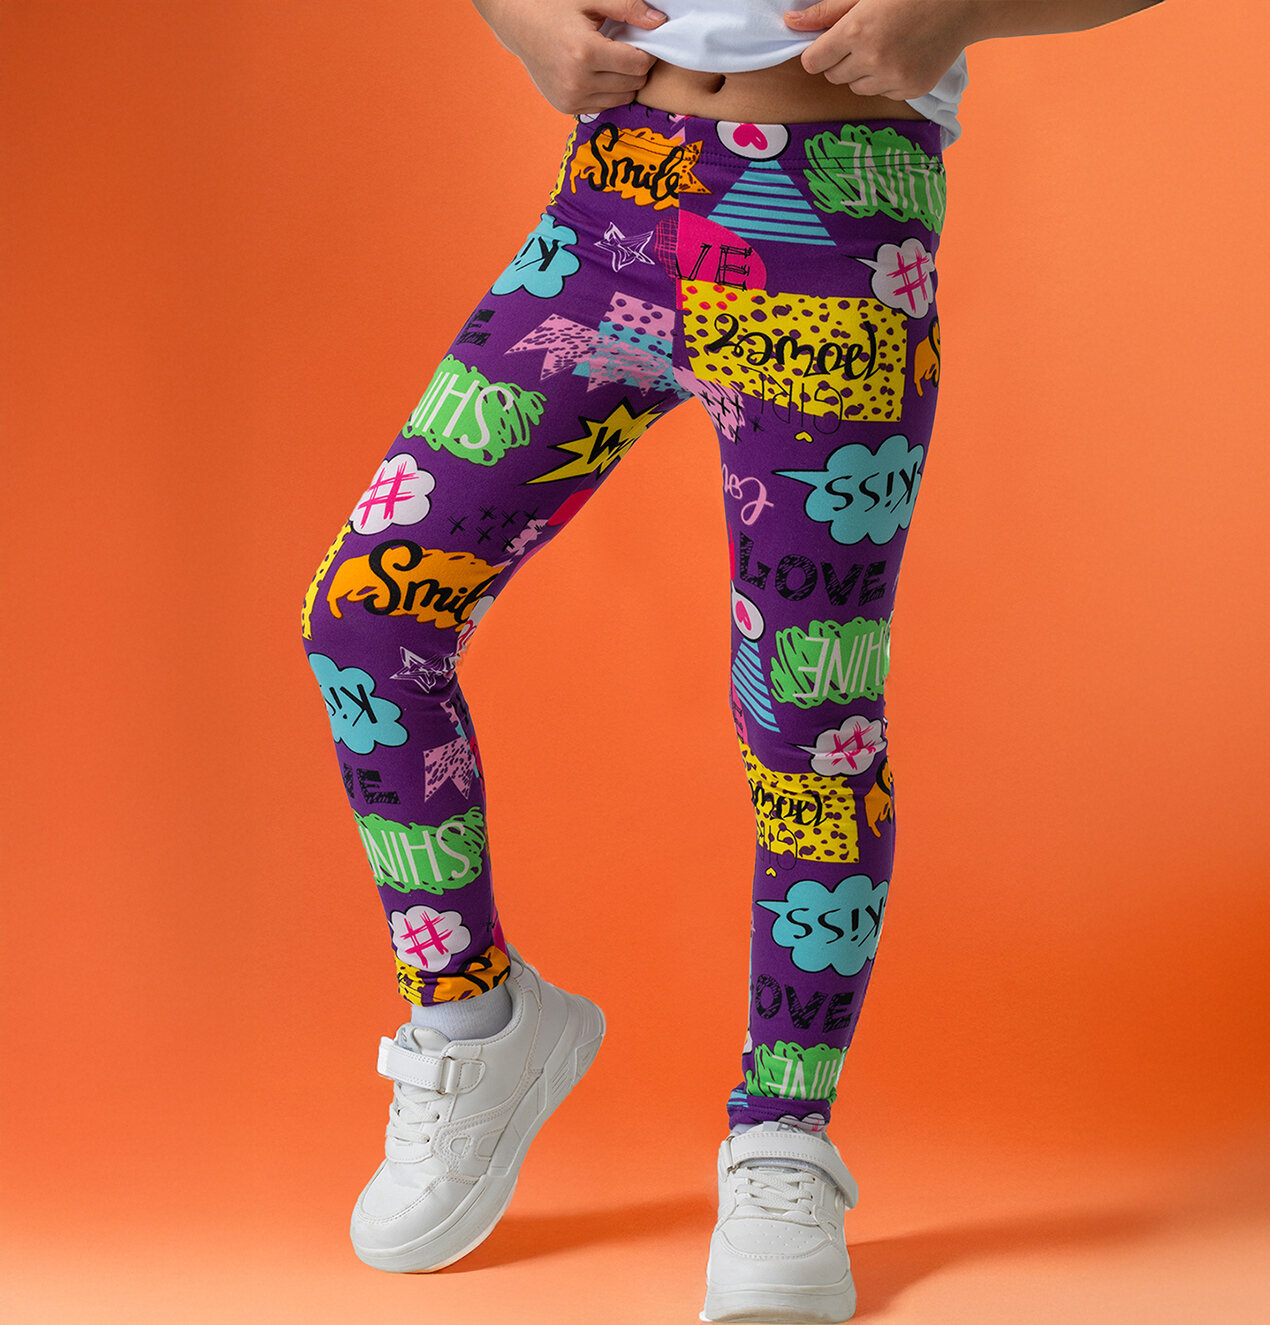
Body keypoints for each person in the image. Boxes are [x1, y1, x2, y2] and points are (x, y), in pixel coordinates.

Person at [299, 1, 1165, 1319]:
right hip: (612, 203)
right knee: (367, 618)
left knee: (807, 713)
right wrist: (517, 13)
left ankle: (782, 1140)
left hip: (837, 219)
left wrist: (964, 10)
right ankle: (475, 1022)